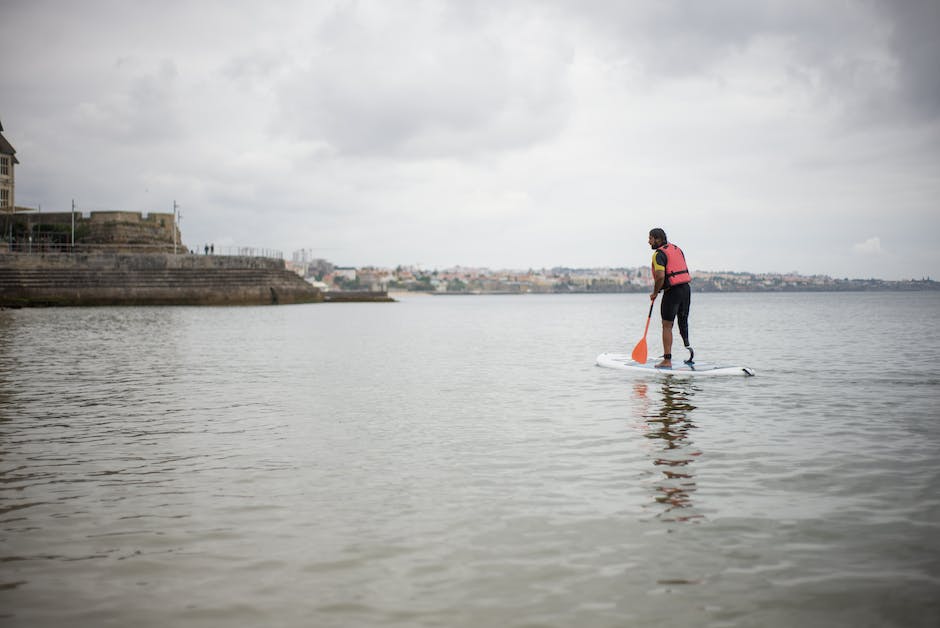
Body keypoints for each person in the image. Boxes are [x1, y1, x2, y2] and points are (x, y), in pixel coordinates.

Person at [648, 228, 693, 368]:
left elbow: (661, 276)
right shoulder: (676, 249)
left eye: (650, 238)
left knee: (667, 325)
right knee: (683, 321)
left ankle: (667, 360)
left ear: (658, 239)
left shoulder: (659, 254)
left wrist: (655, 292)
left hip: (672, 292)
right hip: (686, 289)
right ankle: (689, 348)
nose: (648, 241)